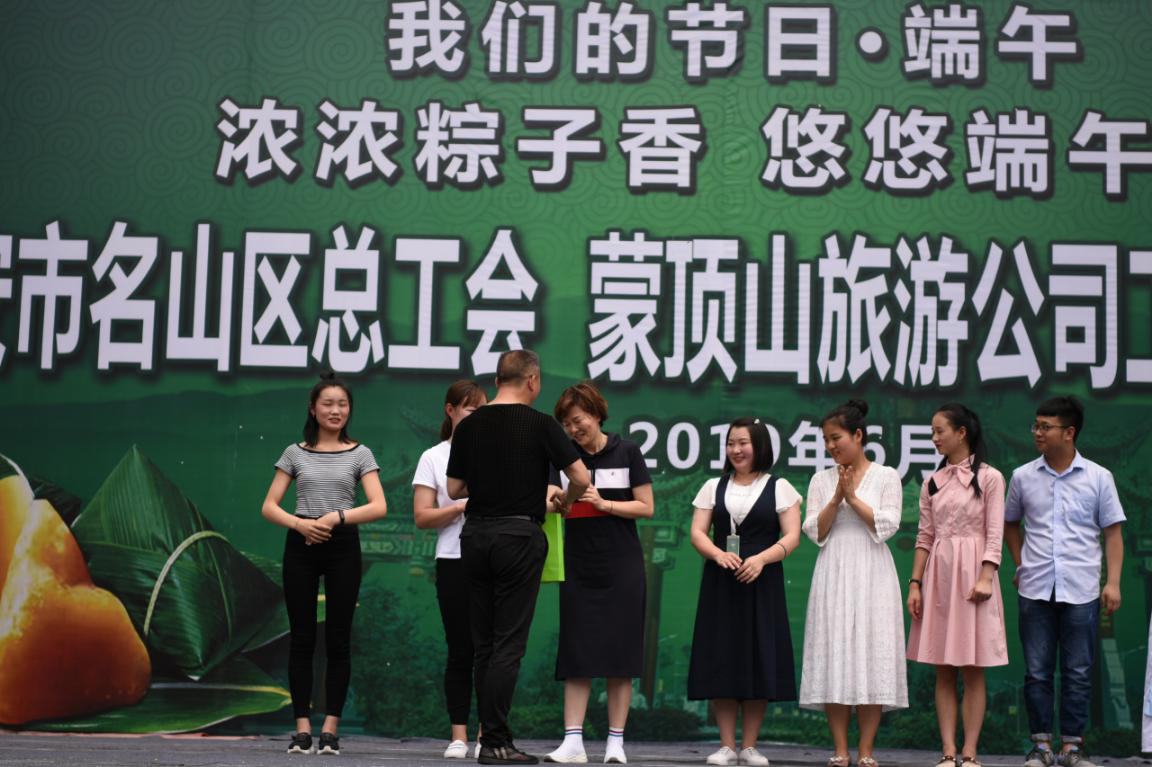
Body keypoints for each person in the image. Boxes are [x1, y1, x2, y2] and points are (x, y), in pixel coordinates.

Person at [447, 350, 591, 766]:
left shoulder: (470, 425)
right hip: (518, 536)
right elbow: (581, 477)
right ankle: (496, 741)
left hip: (475, 536)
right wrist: (566, 501)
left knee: (484, 645)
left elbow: (455, 489)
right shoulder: (541, 424)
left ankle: (489, 740)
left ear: (497, 380)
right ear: (532, 381)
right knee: (508, 645)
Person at [260, 373, 387, 756]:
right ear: (313, 409)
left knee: (338, 638)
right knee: (301, 637)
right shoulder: (295, 453)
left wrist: (337, 517)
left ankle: (330, 728)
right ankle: (301, 728)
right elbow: (269, 506)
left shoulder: (360, 453)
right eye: (328, 404)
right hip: (301, 543)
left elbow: (379, 506)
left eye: (342, 404)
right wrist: (300, 524)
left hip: (342, 545)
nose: (336, 410)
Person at [1003, 396, 1125, 767]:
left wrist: (1113, 583)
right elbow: (1010, 523)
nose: (1037, 433)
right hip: (1035, 587)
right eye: (1036, 425)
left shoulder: (1099, 477)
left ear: (1069, 432)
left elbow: (1113, 533)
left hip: (1082, 588)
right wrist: (1021, 564)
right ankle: (1041, 747)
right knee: (1037, 672)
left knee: (1079, 672)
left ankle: (1073, 747)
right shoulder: (1023, 476)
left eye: (1046, 427)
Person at [542, 382, 654, 765]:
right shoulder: (562, 457)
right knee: (578, 654)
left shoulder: (628, 451)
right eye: (566, 424)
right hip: (578, 564)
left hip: (623, 565)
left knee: (620, 656)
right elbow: (550, 501)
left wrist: (605, 504)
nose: (573, 429)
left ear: (596, 414)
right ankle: (573, 741)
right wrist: (565, 498)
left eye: (578, 420)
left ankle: (615, 743)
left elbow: (646, 506)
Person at [687, 417, 802, 767]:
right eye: (731, 443)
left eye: (743, 443)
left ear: (760, 446)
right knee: (722, 656)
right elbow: (697, 532)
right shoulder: (712, 486)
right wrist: (717, 554)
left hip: (762, 582)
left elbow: (792, 536)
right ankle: (726, 745)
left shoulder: (779, 486)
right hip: (720, 582)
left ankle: (750, 746)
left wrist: (762, 559)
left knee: (758, 656)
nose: (736, 450)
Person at [799, 400, 907, 767]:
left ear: (858, 435)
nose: (831, 446)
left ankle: (866, 750)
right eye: (826, 440)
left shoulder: (886, 476)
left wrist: (852, 498)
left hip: (873, 570)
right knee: (836, 655)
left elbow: (887, 525)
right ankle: (841, 749)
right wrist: (835, 498)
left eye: (837, 438)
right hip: (834, 569)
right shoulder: (821, 480)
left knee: (870, 655)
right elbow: (815, 531)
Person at [906, 403, 1008, 767]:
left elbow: (994, 532)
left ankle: (971, 752)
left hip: (974, 577)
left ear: (961, 433)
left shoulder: (991, 478)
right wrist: (915, 583)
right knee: (943, 668)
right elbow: (925, 537)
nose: (934, 438)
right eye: (932, 432)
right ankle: (948, 751)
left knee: (973, 668)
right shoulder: (932, 482)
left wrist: (986, 576)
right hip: (940, 577)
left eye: (940, 431)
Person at [413, 380, 488, 759]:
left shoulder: (497, 453)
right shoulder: (433, 457)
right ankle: (458, 735)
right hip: (453, 559)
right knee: (460, 649)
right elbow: (422, 516)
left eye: (483, 411)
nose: (477, 417)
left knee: (491, 650)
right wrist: (461, 506)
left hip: (493, 559)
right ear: (451, 410)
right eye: (471, 410)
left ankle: (488, 733)